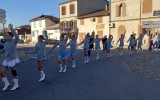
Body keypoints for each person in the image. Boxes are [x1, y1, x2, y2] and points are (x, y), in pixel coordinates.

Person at [0, 24, 20, 91]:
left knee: (13, 72)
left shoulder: (14, 41)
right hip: (6, 59)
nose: (5, 37)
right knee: (1, 71)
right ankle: (7, 83)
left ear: (11, 36)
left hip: (12, 59)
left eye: (7, 35)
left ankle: (16, 85)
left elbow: (17, 36)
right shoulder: (6, 43)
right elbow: (4, 50)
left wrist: (11, 28)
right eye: (5, 36)